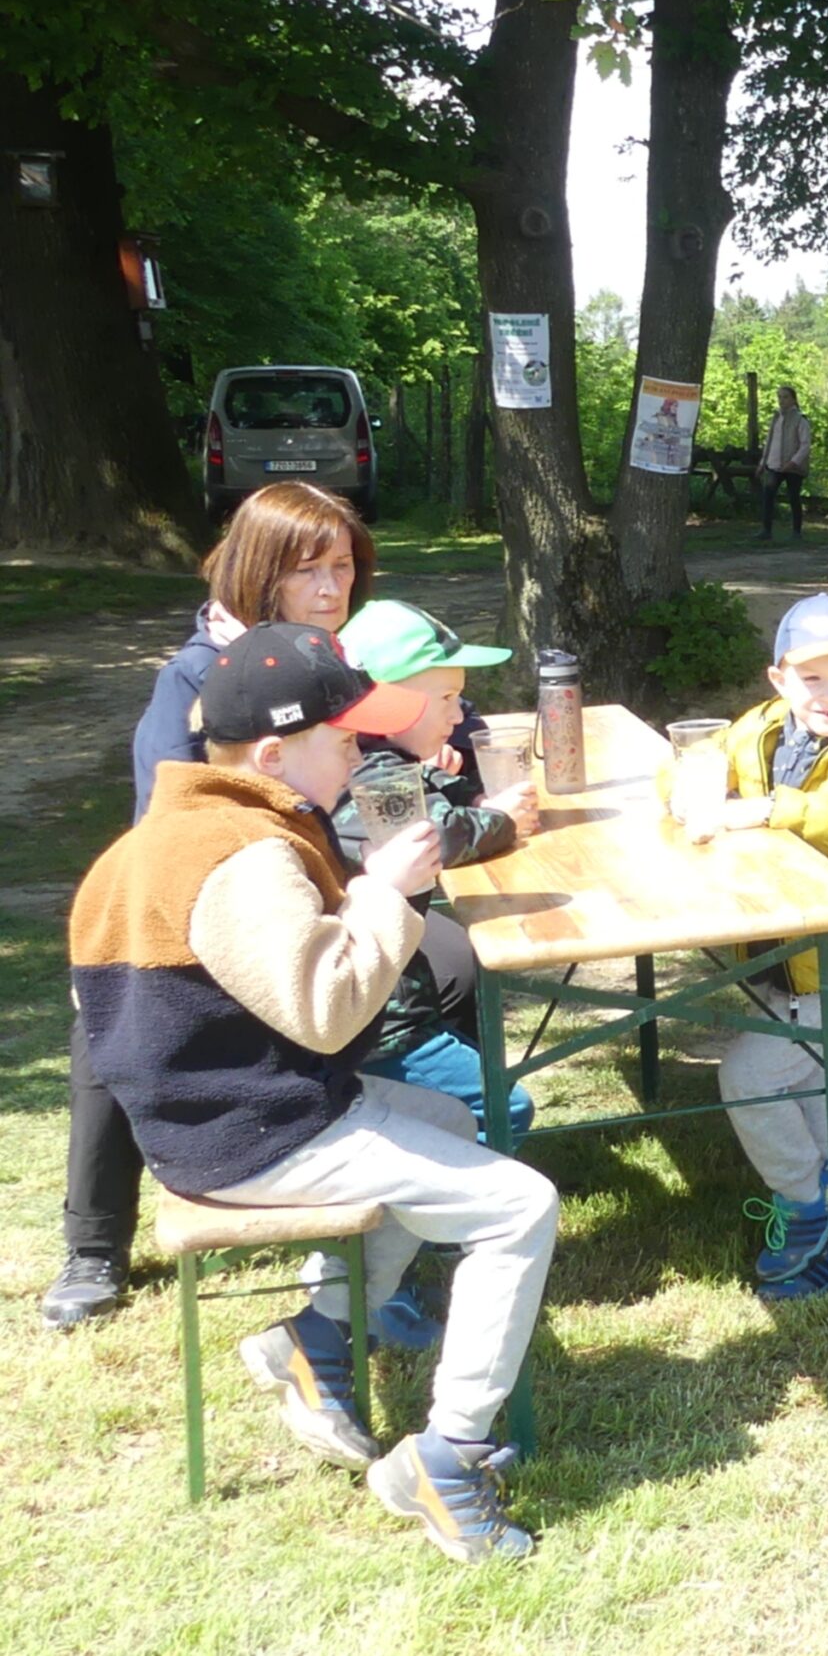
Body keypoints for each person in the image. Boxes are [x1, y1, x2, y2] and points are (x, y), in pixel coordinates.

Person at [70, 622, 558, 1562]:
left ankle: (321, 1334)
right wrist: (385, 891)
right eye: (342, 741)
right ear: (271, 755)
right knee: (519, 1205)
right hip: (253, 1133)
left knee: (452, 1117)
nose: (359, 757)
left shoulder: (173, 831)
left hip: (209, 1118)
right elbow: (328, 1013)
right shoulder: (243, 856)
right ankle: (450, 1458)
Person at [46, 484, 477, 1335]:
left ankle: (404, 1166)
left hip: (336, 879)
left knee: (457, 959)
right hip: (215, 912)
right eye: (307, 570)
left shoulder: (333, 656)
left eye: (343, 566)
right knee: (110, 1015)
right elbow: (172, 831)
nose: (331, 587)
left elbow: (396, 742)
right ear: (257, 570)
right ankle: (94, 1242)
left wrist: (446, 750)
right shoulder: (202, 677)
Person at [678, 594, 828, 1300]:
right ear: (779, 679)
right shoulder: (765, 724)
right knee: (802, 1073)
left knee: (750, 1077)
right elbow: (704, 755)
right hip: (776, 943)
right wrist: (691, 785)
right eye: (812, 678)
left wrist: (772, 807)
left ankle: (805, 1207)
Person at [332, 600, 542, 1146]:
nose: (458, 716)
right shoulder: (368, 769)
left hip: (390, 999)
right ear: (387, 700)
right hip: (379, 1022)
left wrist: (444, 780)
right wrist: (501, 821)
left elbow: (432, 800)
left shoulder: (379, 757)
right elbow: (436, 834)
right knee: (505, 1108)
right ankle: (449, 1195)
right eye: (446, 699)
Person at [759, 384, 813, 541]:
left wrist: (793, 462)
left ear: (793, 399)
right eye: (780, 397)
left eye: (785, 397)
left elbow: (805, 445)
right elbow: (770, 442)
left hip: (793, 467)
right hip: (774, 464)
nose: (782, 400)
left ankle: (796, 532)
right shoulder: (776, 418)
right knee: (768, 496)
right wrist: (763, 462)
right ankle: (766, 530)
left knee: (793, 498)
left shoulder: (800, 420)